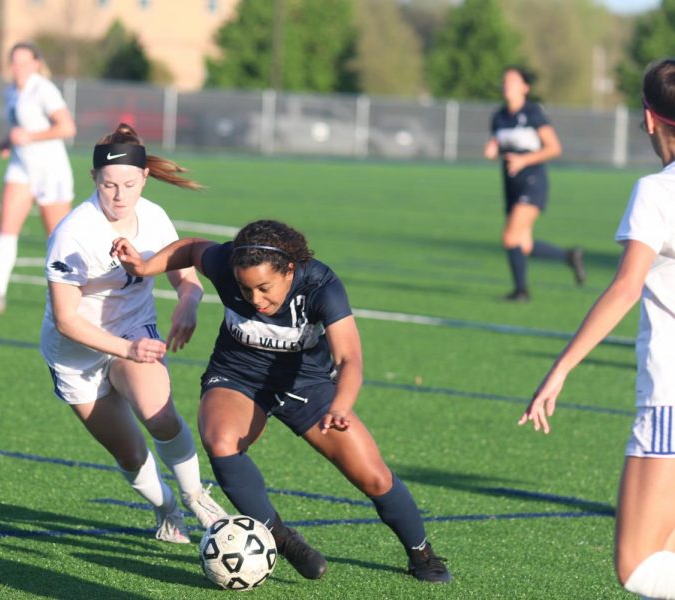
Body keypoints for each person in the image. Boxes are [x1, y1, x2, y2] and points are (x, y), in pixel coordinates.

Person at [112, 220, 452, 583]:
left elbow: (350, 358)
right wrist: (144, 267)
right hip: (238, 375)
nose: (255, 300)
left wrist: (341, 405)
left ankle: (421, 553)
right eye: (245, 288)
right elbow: (194, 247)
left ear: (290, 270)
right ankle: (281, 538)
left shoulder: (321, 286)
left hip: (308, 384)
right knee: (220, 441)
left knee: (374, 477)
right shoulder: (226, 263)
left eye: (264, 288)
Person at [520, 58, 675, 600]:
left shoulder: (658, 192)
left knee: (639, 567)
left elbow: (626, 287)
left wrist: (559, 370)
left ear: (649, 117)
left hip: (670, 400)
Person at [39, 123, 226, 543]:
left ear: (144, 176)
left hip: (132, 332)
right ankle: (167, 511)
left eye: (128, 184)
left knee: (159, 415)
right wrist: (128, 347)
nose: (119, 196)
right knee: (129, 452)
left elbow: (185, 278)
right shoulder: (72, 235)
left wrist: (188, 304)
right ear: (93, 180)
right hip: (77, 353)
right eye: (108, 185)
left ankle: (196, 496)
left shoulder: (155, 217)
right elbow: (68, 319)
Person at [0, 41, 77, 314]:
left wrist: (29, 137)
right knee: (6, 231)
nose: (16, 67)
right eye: (13, 62)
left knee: (58, 240)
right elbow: (21, 128)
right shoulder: (12, 92)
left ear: (35, 63)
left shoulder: (43, 89)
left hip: (50, 171)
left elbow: (67, 127)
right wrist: (7, 142)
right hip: (22, 168)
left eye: (22, 62)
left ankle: (72, 300)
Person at [484, 65, 586, 302]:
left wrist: (524, 159)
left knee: (510, 237)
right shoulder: (498, 116)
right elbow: (497, 145)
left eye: (511, 80)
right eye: (504, 80)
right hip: (511, 184)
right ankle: (569, 256)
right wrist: (493, 150)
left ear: (525, 87)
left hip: (533, 182)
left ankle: (521, 292)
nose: (506, 84)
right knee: (524, 244)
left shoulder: (533, 114)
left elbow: (554, 148)